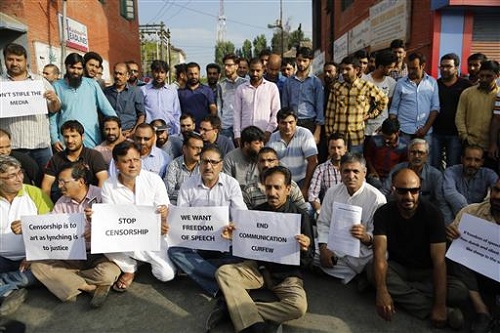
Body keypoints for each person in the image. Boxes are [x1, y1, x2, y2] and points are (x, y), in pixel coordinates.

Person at [210, 166, 314, 332]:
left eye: (277, 187)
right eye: (268, 187)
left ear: (288, 189)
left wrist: (305, 248)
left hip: (286, 277)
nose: (272, 192)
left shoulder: (301, 217)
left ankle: (234, 310)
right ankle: (254, 324)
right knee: (223, 272)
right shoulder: (256, 213)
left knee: (298, 307)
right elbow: (246, 249)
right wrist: (234, 238)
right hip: (257, 270)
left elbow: (308, 261)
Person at [370, 168, 468, 329]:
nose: (408, 197)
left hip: (426, 272)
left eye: (414, 191)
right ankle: (432, 309)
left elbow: (439, 263)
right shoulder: (383, 213)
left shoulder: (433, 214)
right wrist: (381, 292)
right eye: (402, 191)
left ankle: (403, 293)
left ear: (419, 189)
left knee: (460, 292)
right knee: (372, 270)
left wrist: (440, 304)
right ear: (393, 190)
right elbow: (379, 255)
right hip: (398, 268)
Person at [30, 162, 121, 308]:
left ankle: (69, 280)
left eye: (63, 182)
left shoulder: (102, 195)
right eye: (58, 182)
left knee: (109, 273)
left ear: (81, 181)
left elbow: (116, 226)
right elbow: (51, 228)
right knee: (37, 266)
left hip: (99, 254)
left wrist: (98, 232)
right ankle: (89, 287)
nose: (59, 186)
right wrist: (28, 229)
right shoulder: (61, 203)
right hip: (72, 256)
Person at [168, 145, 247, 297]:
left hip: (224, 242)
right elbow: (182, 219)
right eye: (204, 162)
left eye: (213, 162)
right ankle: (222, 283)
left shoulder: (231, 184)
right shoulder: (187, 185)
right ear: (199, 164)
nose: (208, 167)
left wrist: (233, 227)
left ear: (221, 165)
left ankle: (199, 270)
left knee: (243, 252)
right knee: (175, 252)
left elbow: (241, 216)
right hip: (197, 243)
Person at [102, 141, 176, 291]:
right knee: (103, 241)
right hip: (126, 237)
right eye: (126, 161)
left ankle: (145, 261)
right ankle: (130, 267)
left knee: (166, 275)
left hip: (154, 237)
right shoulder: (108, 186)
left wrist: (163, 216)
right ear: (116, 164)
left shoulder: (153, 180)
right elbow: (112, 219)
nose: (132, 165)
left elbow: (165, 208)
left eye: (136, 160)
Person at [316, 153, 386, 284]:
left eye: (355, 171)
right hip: (335, 245)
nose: (351, 176)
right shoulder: (333, 192)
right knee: (309, 252)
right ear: (340, 171)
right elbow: (323, 223)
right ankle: (356, 275)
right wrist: (324, 248)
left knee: (380, 258)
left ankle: (347, 272)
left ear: (364, 172)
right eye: (346, 171)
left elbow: (378, 236)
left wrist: (365, 236)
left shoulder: (377, 198)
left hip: (362, 251)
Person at [1, 155, 53, 316]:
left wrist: (34, 253)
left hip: (33, 259)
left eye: (20, 173)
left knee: (44, 274)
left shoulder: (34, 193)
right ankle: (9, 291)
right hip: (2, 258)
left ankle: (5, 285)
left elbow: (53, 228)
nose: (19, 179)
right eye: (12, 176)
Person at [446, 180, 500, 332]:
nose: (497, 196)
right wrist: (450, 235)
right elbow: (453, 248)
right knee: (454, 251)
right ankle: (481, 310)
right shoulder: (470, 212)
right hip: (471, 274)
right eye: (496, 190)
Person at [0, 43, 61, 169]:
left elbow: (54, 109)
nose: (15, 63)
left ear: (26, 60)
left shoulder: (39, 81)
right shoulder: (1, 83)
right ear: (4, 60)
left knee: (47, 182)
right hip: (13, 147)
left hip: (41, 145)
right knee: (17, 184)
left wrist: (54, 100)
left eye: (19, 60)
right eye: (10, 59)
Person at [51, 53, 116, 149]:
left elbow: (107, 110)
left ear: (83, 69)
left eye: (79, 68)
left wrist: (117, 129)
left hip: (91, 140)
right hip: (67, 142)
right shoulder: (57, 86)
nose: (76, 71)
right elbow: (53, 116)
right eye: (72, 68)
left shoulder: (92, 85)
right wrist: (54, 139)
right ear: (66, 67)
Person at [325, 55, 388, 153]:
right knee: (339, 165)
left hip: (357, 137)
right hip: (339, 137)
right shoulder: (336, 87)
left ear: (357, 70)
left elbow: (383, 100)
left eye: (347, 69)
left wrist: (371, 115)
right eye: (342, 69)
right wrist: (329, 135)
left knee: (355, 164)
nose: (344, 72)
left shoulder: (366, 86)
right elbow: (330, 114)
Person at [381, 138, 451, 223]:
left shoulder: (435, 175)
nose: (417, 156)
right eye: (413, 152)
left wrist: (448, 224)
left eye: (420, 153)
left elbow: (441, 202)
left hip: (425, 217)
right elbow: (383, 193)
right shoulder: (397, 169)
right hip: (399, 214)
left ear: (426, 156)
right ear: (408, 154)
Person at [41, 120, 108, 201]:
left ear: (82, 137)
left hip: (90, 200)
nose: (69, 140)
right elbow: (46, 185)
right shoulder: (56, 158)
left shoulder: (94, 155)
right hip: (63, 202)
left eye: (73, 136)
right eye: (66, 137)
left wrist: (97, 203)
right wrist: (48, 207)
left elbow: (103, 179)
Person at [432, 53, 473, 169]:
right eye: (442, 66)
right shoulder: (434, 85)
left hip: (456, 134)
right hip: (436, 132)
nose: (444, 69)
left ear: (456, 68)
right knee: (434, 165)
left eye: (448, 66)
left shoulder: (466, 86)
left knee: (453, 166)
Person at [267, 107, 318, 200]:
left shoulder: (304, 134)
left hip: (302, 181)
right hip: (280, 183)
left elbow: (313, 161)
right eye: (283, 123)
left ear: (296, 121)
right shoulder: (273, 138)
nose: (287, 126)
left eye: (291, 122)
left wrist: (305, 188)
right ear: (278, 123)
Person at [389, 52, 439, 145]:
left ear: (422, 65)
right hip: (404, 131)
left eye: (414, 68)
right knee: (404, 158)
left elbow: (435, 108)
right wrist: (394, 130)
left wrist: (426, 129)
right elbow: (394, 109)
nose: (411, 71)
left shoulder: (432, 83)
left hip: (425, 133)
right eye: (409, 68)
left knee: (425, 159)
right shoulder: (400, 83)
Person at [242, 147, 308, 212]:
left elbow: (303, 211)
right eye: (262, 161)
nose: (266, 164)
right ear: (257, 164)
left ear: (277, 162)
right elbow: (247, 217)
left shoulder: (290, 185)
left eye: (270, 160)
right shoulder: (249, 189)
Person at [281, 47, 324, 145]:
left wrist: (317, 132)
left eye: (305, 61)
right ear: (296, 60)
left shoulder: (316, 82)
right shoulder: (288, 82)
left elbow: (319, 107)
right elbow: (285, 105)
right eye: (299, 60)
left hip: (310, 123)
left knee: (309, 154)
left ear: (311, 61)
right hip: (292, 124)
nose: (301, 64)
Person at [233, 58, 280, 145]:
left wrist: (269, 131)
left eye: (258, 71)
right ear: (248, 70)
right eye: (252, 70)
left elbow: (276, 112)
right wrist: (237, 135)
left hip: (265, 135)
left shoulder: (271, 87)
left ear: (264, 70)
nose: (255, 73)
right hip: (245, 136)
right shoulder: (241, 89)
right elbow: (236, 113)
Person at [443, 144, 498, 218]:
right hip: (456, 217)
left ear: (482, 162)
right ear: (462, 159)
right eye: (468, 159)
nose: (472, 164)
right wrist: (470, 215)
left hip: (479, 217)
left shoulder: (489, 174)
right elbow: (450, 193)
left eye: (477, 160)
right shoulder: (451, 172)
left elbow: (496, 190)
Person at [456, 60, 499, 153]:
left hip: (491, 147)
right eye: (481, 75)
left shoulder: (498, 95)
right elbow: (460, 116)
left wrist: (494, 143)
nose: (484, 79)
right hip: (470, 144)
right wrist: (465, 137)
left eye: (488, 76)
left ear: (497, 75)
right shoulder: (467, 93)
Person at [103, 62, 145, 139]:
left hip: (129, 135)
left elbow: (141, 115)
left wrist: (133, 133)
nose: (117, 76)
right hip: (110, 135)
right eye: (116, 73)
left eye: (120, 74)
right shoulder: (106, 92)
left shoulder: (135, 92)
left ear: (128, 76)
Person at [365, 118, 409, 189]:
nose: (386, 140)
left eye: (390, 138)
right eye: (384, 137)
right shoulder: (375, 141)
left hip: (393, 177)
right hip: (376, 176)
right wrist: (373, 171)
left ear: (397, 133)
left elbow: (404, 165)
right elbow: (368, 157)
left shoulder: (403, 146)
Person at [140, 60, 181, 134]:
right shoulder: (143, 90)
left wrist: (177, 131)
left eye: (162, 72)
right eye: (156, 72)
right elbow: (140, 112)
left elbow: (177, 113)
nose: (159, 75)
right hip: (150, 130)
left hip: (169, 130)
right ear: (152, 72)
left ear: (166, 74)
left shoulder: (172, 91)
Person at [364, 51, 397, 142]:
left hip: (382, 129)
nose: (392, 70)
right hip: (364, 129)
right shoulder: (364, 81)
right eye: (389, 67)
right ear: (381, 67)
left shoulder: (391, 82)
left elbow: (389, 105)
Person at [308, 133, 346, 213]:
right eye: (332, 148)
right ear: (328, 149)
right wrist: (320, 210)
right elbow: (312, 195)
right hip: (328, 210)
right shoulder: (321, 169)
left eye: (339, 147)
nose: (336, 151)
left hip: (349, 209)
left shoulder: (353, 168)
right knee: (307, 208)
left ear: (345, 148)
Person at [164, 131, 203, 205]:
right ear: (184, 149)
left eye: (201, 148)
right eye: (195, 148)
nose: (199, 151)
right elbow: (169, 192)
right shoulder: (174, 165)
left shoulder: (204, 164)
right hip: (179, 205)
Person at [178, 62, 217, 129]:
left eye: (196, 74)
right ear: (186, 74)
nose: (193, 76)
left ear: (199, 74)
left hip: (203, 130)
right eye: (191, 74)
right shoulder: (180, 92)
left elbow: (213, 109)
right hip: (187, 129)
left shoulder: (207, 90)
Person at [217, 54, 247, 139]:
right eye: (225, 65)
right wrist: (220, 123)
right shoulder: (221, 84)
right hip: (226, 126)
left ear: (236, 66)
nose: (226, 68)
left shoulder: (245, 83)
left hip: (242, 125)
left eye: (229, 65)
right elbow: (219, 106)